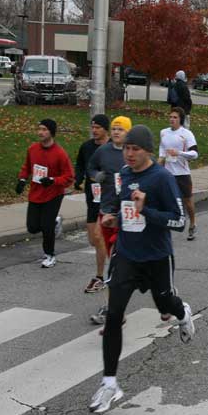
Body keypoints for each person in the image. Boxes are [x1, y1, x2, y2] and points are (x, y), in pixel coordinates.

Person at [89, 125, 194, 414]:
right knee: (113, 315)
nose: (130, 153)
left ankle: (183, 313)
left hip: (157, 257)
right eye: (127, 148)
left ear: (147, 149)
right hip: (127, 255)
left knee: (166, 303)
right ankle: (110, 382)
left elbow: (178, 221)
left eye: (135, 148)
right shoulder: (123, 174)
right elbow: (127, 211)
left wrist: (146, 209)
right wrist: (115, 220)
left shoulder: (161, 178)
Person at [16, 119, 74, 268]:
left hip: (53, 194)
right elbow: (27, 167)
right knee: (33, 227)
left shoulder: (60, 153)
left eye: (44, 129)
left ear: (51, 133)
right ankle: (55, 221)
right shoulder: (33, 149)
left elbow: (69, 177)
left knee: (46, 227)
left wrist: (53, 180)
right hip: (36, 193)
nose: (40, 132)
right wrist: (22, 180)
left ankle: (50, 255)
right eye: (39, 129)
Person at [84, 115, 131, 296]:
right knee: (98, 237)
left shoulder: (131, 152)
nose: (116, 132)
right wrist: (96, 176)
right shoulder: (103, 151)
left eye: (121, 129)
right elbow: (91, 167)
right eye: (114, 129)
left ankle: (119, 280)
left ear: (128, 132)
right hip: (106, 205)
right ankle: (100, 276)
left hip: (124, 211)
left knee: (120, 251)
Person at [74, 114, 110, 292]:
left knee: (98, 236)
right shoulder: (87, 147)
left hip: (109, 199)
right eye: (93, 127)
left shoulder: (113, 149)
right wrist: (78, 179)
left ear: (106, 129)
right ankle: (108, 260)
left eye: (98, 127)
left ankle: (101, 276)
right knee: (93, 239)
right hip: (92, 196)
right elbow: (81, 164)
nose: (94, 130)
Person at [159, 107, 199, 240]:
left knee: (187, 201)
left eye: (175, 117)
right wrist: (158, 168)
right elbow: (162, 153)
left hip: (182, 174)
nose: (172, 119)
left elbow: (195, 154)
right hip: (167, 174)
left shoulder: (186, 134)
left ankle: (193, 223)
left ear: (180, 119)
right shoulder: (163, 133)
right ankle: (165, 228)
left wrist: (179, 153)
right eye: (170, 117)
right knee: (165, 201)